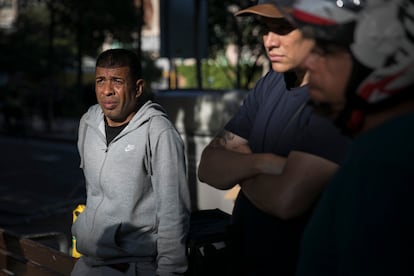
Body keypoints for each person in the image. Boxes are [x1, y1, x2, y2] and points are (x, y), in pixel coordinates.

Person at [197, 1, 351, 275]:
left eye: (282, 29)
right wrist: (264, 163)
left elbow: (286, 201)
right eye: (266, 29)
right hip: (245, 257)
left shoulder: (337, 97)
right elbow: (208, 166)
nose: (269, 41)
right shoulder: (272, 83)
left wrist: (239, 170)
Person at [280, 0, 414, 275]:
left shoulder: (383, 162)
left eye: (325, 51)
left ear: (388, 60)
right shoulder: (379, 146)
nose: (308, 62)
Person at [71, 48, 191, 276]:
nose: (107, 90)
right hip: (87, 264)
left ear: (137, 88)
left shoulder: (158, 132)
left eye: (116, 81)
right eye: (100, 81)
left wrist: (170, 272)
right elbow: (93, 193)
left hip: (131, 267)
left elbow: (173, 213)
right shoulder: (88, 121)